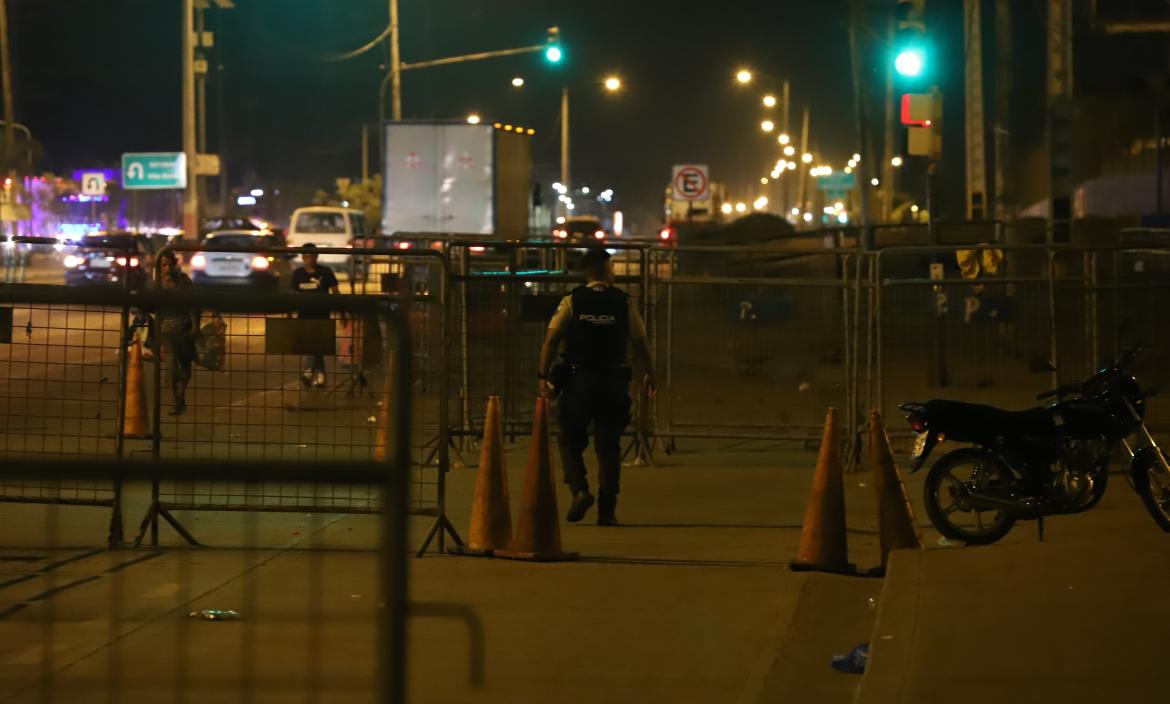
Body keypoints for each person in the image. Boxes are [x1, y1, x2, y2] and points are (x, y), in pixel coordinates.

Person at [538, 248, 657, 526]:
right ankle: (607, 510)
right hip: (614, 382)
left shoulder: (572, 301)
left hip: (579, 381)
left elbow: (551, 341)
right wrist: (650, 373)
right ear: (605, 270)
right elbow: (641, 343)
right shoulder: (623, 302)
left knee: (569, 439)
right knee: (608, 447)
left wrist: (542, 375)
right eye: (612, 267)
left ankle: (579, 490)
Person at [291, 243, 340, 387]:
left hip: (321, 314)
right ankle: (320, 374)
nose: (309, 259)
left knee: (316, 343)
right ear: (302, 257)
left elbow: (335, 291)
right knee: (313, 345)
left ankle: (308, 371)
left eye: (312, 256)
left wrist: (342, 309)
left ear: (317, 256)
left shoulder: (325, 272)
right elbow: (292, 293)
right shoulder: (298, 274)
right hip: (304, 314)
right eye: (306, 256)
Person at [157, 251, 198, 415]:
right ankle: (177, 400)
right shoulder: (156, 284)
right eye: (163, 265)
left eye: (170, 264)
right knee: (171, 369)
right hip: (166, 331)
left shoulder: (184, 281)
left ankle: (181, 396)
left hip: (184, 329)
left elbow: (194, 304)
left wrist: (195, 326)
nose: (167, 268)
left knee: (186, 366)